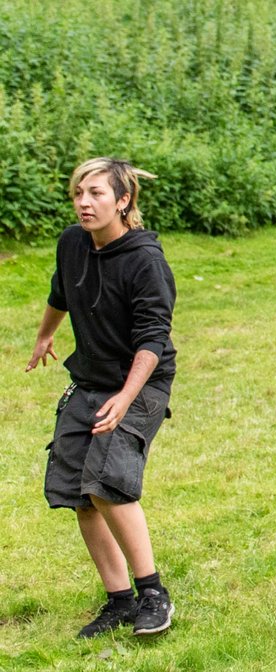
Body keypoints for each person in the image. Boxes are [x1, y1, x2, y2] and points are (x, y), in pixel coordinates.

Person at [25, 157, 177, 637]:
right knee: (78, 494)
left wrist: (126, 399)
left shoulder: (145, 261)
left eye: (95, 193)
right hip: (89, 380)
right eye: (78, 194)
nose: (84, 203)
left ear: (123, 200)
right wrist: (44, 336)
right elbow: (60, 294)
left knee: (107, 482)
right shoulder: (72, 243)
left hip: (141, 382)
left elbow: (153, 340)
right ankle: (118, 602)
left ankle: (154, 593)